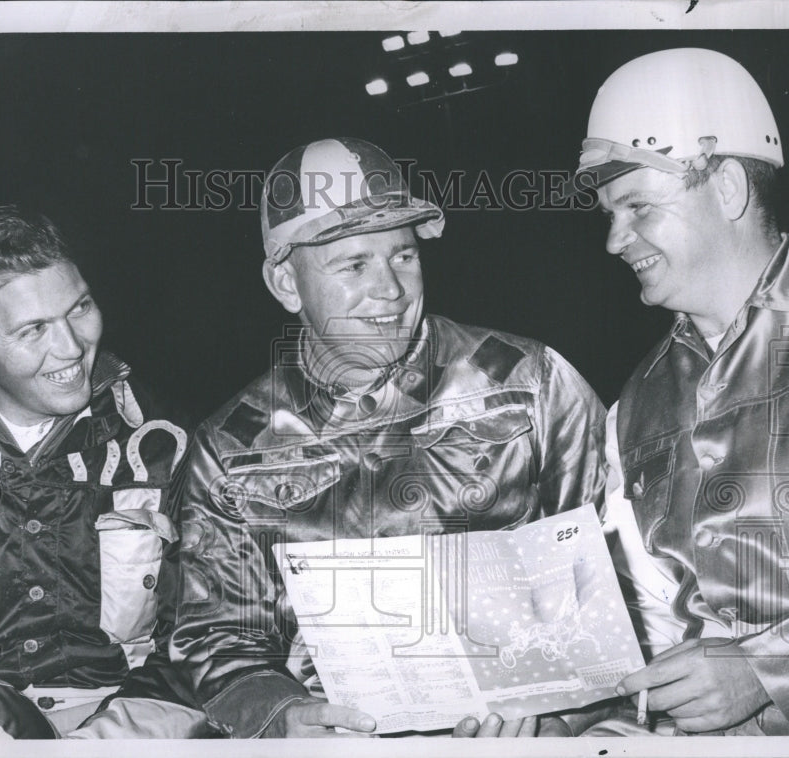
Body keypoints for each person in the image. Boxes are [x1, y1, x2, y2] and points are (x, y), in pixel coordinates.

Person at [168, 137, 608, 737]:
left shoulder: (531, 383)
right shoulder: (231, 449)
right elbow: (217, 631)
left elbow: (614, 575)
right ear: (286, 284)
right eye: (353, 265)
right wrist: (280, 715)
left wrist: (564, 716)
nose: (392, 290)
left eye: (402, 256)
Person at [461, 47, 789, 739]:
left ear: (726, 188)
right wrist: (566, 716)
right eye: (608, 212)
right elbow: (651, 619)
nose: (613, 240)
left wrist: (775, 669)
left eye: (637, 206)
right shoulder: (633, 407)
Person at [0, 206, 207, 739]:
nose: (73, 347)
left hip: (130, 714)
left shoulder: (168, 443)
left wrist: (106, 739)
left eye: (79, 308)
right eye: (34, 330)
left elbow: (199, 636)